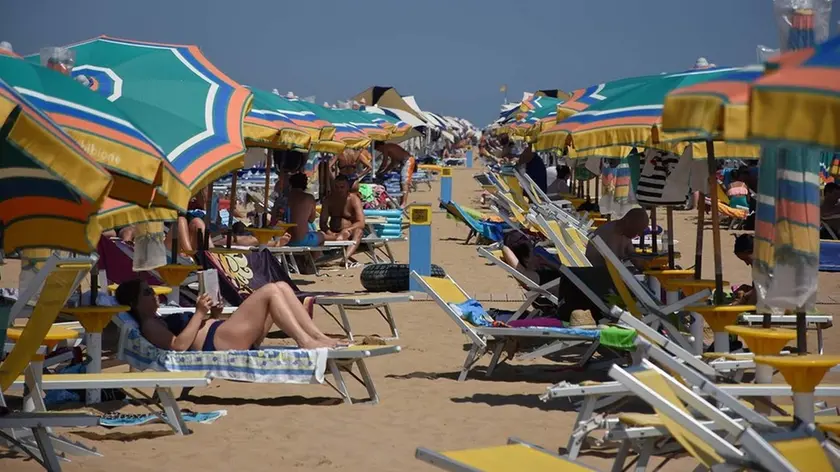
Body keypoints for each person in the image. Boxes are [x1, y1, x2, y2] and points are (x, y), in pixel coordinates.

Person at [115, 279, 341, 351]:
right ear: (134, 303)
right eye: (147, 292)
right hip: (223, 341)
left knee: (281, 285)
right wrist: (199, 313)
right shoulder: (148, 325)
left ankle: (316, 336)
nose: (154, 294)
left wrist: (212, 314)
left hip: (224, 335)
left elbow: (193, 332)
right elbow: (178, 345)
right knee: (271, 291)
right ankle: (305, 341)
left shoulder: (158, 319)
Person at [320, 175, 366, 265]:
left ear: (347, 187)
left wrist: (348, 229)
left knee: (359, 232)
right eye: (336, 187)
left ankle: (345, 258)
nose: (339, 190)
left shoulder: (353, 199)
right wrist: (329, 232)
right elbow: (323, 223)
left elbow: (361, 222)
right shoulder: (328, 200)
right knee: (317, 235)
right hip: (333, 232)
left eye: (342, 187)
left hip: (349, 232)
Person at [585, 208, 650, 269]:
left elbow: (633, 256)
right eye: (637, 230)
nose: (638, 235)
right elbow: (614, 263)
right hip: (598, 271)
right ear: (629, 224)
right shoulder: (610, 233)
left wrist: (646, 266)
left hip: (610, 271)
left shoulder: (624, 232)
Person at [286, 173, 330, 247]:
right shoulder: (309, 198)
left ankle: (306, 258)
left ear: (290, 184)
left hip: (284, 240)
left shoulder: (284, 198)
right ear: (305, 184)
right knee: (321, 236)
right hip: (301, 239)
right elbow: (311, 219)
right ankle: (338, 237)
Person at [374, 142, 416, 206]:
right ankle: (402, 202)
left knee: (404, 182)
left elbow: (384, 162)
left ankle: (403, 203)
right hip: (405, 160)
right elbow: (393, 163)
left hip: (408, 160)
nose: (380, 151)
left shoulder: (385, 147)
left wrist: (379, 172)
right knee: (402, 182)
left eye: (379, 150)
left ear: (379, 147)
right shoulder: (391, 150)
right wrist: (384, 172)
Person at [212, 221, 291, 247]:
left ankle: (272, 238)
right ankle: (275, 242)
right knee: (249, 238)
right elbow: (238, 240)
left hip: (215, 235)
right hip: (216, 237)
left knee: (240, 225)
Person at [731, 234, 757, 305]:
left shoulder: (767, 267)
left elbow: (763, 290)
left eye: (747, 259)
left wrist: (745, 297)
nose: (747, 264)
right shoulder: (757, 266)